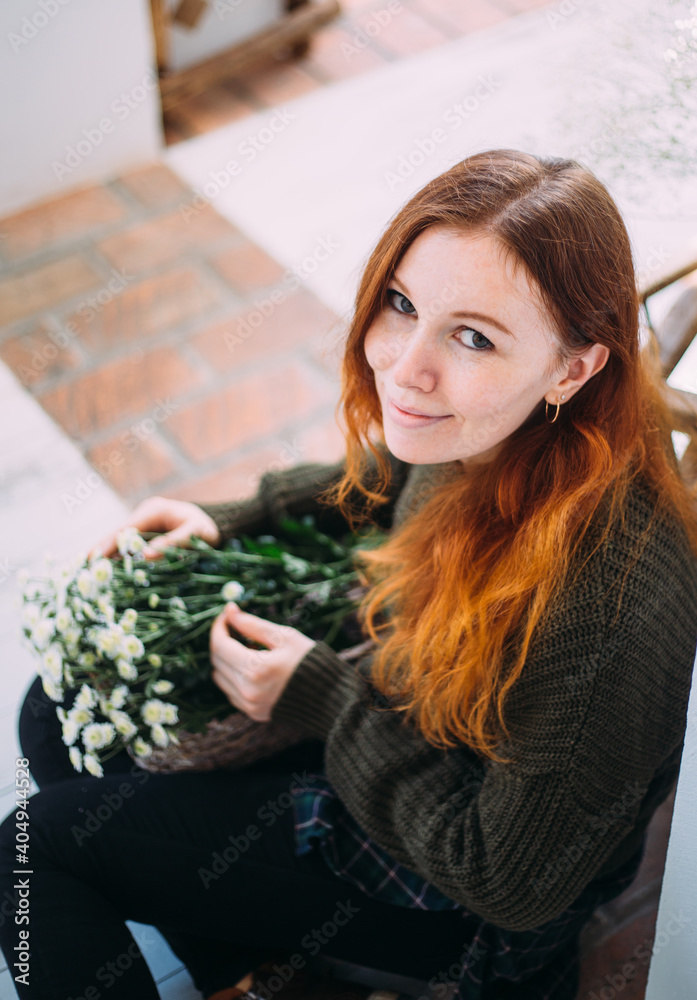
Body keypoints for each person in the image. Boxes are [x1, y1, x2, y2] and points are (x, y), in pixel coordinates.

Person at [2, 147, 697, 1000]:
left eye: (472, 336)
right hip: (400, 714)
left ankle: (262, 941)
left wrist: (323, 699)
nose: (405, 368)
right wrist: (233, 518)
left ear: (572, 366)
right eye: (402, 304)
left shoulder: (607, 602)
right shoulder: (503, 426)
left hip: (461, 895)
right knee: (59, 711)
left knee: (34, 850)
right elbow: (397, 474)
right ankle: (252, 967)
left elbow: (510, 883)